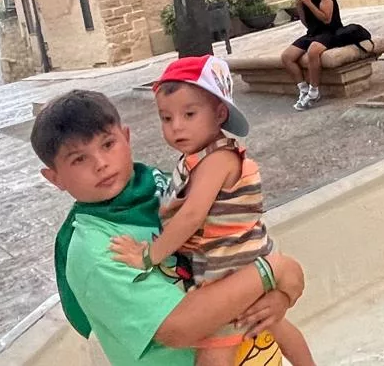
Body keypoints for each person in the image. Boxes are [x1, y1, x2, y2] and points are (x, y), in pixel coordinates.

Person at [34, 89, 305, 366]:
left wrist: (278, 297)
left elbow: (243, 244)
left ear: (126, 137)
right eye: (79, 159)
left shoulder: (165, 187)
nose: (101, 164)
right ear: (54, 178)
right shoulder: (95, 249)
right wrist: (272, 271)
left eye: (107, 144)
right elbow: (178, 328)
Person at [107, 57, 318, 366]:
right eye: (166, 118)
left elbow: (191, 216)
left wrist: (148, 256)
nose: (176, 126)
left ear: (220, 113)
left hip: (231, 270)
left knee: (214, 353)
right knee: (275, 325)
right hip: (237, 263)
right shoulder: (195, 160)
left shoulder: (218, 159)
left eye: (189, 114)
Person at [278, 0, 371, 111]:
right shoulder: (303, 0)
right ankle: (303, 89)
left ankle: (314, 91)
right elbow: (306, 23)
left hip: (331, 32)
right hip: (313, 33)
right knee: (286, 57)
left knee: (313, 51)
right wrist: (300, 6)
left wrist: (309, 3)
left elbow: (326, 19)